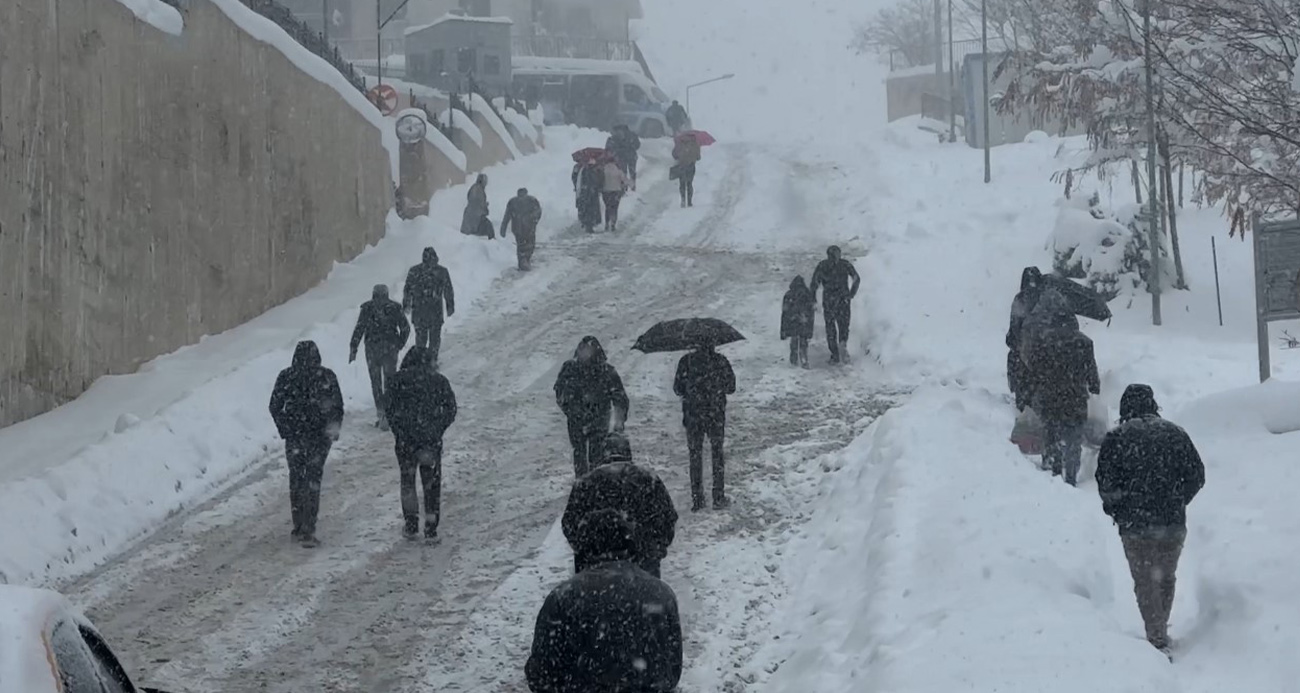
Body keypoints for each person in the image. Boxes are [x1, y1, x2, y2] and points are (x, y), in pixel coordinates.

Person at [1096, 384, 1205, 654]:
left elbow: (1105, 483)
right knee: (1166, 576)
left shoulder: (1117, 438)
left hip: (1135, 525)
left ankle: (1155, 635)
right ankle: (1161, 625)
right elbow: (1197, 475)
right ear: (1153, 405)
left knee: (1145, 579)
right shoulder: (1176, 434)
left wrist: (1118, 509)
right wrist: (1178, 500)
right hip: (1172, 522)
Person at [525, 509, 683, 693]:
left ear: (584, 548)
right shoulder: (661, 594)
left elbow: (541, 675)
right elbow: (672, 670)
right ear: (630, 544)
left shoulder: (563, 598)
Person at [561, 433, 678, 578]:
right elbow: (667, 518)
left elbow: (570, 524)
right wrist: (653, 550)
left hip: (595, 568)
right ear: (629, 454)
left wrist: (586, 550)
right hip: (642, 565)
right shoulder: (649, 480)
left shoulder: (585, 484)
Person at [268, 341, 343, 548]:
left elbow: (274, 405)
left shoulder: (286, 377)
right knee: (313, 479)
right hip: (319, 437)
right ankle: (309, 527)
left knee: (296, 479)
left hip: (295, 436)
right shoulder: (327, 376)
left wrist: (285, 428)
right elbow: (337, 406)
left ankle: (298, 525)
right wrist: (332, 430)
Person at [1024, 290, 1100, 485]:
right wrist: (1093, 387)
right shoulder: (1084, 342)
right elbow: (1092, 374)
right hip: (1076, 398)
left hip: (1051, 396)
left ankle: (1053, 470)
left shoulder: (1044, 341)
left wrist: (1032, 391)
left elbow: (1034, 369)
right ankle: (1071, 474)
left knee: (1051, 431)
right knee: (1074, 437)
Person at [385, 346, 458, 542]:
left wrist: (400, 430)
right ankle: (431, 527)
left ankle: (411, 524)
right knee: (431, 484)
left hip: (405, 442)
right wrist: (437, 428)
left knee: (408, 482)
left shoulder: (396, 381)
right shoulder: (439, 381)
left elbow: (389, 410)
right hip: (430, 442)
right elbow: (451, 409)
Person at [554, 336, 630, 478]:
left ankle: (586, 484)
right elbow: (620, 398)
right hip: (590, 418)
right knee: (588, 453)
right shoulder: (604, 371)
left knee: (587, 453)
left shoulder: (573, 370)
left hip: (590, 419)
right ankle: (591, 482)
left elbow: (620, 398)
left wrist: (570, 409)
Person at [673, 344, 736, 511]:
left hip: (693, 415)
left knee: (695, 455)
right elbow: (731, 387)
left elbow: (677, 389)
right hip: (715, 414)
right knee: (717, 453)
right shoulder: (721, 361)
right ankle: (718, 496)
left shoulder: (686, 361)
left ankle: (697, 498)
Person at [349, 284, 410, 429]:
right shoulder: (395, 308)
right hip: (390, 349)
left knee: (375, 382)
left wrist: (353, 347)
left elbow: (359, 328)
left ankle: (381, 412)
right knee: (389, 381)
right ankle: (390, 413)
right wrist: (399, 344)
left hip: (372, 349)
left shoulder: (367, 308)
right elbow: (405, 328)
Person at [402, 247, 455, 365]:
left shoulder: (415, 271)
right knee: (430, 339)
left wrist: (406, 304)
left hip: (423, 312)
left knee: (426, 339)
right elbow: (448, 290)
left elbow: (407, 290)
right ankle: (429, 361)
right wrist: (450, 305)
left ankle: (426, 361)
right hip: (431, 312)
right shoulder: (440, 272)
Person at [810, 245, 862, 365]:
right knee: (843, 325)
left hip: (829, 301)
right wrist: (851, 294)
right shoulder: (844, 264)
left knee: (830, 327)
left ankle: (834, 354)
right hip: (843, 299)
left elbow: (814, 284)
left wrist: (813, 299)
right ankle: (842, 343)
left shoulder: (822, 266)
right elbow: (856, 278)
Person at [1007, 267, 1045, 411]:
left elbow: (1013, 331)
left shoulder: (1020, 300)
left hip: (1023, 358)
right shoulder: (1047, 299)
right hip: (1047, 355)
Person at [501, 187, 543, 271]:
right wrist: (534, 220)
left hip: (517, 228)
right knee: (530, 244)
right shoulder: (532, 200)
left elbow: (507, 216)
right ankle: (525, 259)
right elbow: (538, 212)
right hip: (528, 226)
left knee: (520, 245)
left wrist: (503, 228)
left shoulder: (512, 202)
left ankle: (522, 261)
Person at [781, 275, 816, 368]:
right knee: (803, 342)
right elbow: (811, 312)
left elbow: (784, 313)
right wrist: (810, 329)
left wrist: (783, 330)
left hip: (792, 321)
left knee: (794, 340)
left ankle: (794, 360)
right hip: (804, 321)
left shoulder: (788, 295)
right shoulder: (808, 295)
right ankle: (804, 360)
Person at [572, 158, 605, 233]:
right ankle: (588, 225)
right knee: (590, 210)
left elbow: (575, 179)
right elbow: (599, 180)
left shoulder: (579, 168)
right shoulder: (595, 170)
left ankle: (585, 223)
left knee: (585, 209)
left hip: (583, 194)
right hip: (590, 194)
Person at [606, 124, 641, 191]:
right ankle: (633, 186)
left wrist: (618, 152)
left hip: (622, 157)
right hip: (632, 156)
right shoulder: (632, 135)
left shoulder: (616, 136)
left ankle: (624, 187)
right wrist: (632, 148)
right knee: (632, 172)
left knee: (623, 172)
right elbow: (638, 145)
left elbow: (611, 147)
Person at [600, 155, 630, 232]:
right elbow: (625, 181)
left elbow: (599, 180)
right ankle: (613, 224)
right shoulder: (618, 171)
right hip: (616, 192)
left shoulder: (603, 170)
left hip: (606, 192)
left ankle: (606, 224)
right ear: (614, 162)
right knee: (614, 208)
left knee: (608, 207)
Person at [671, 133, 701, 208]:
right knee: (689, 184)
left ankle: (683, 200)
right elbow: (698, 157)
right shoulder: (695, 144)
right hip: (691, 166)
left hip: (681, 166)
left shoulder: (680, 144)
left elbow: (674, 155)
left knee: (682, 184)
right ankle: (689, 201)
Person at [460, 173, 492, 239]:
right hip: (475, 220)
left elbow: (472, 200)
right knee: (489, 227)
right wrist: (485, 209)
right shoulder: (480, 190)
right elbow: (479, 205)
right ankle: (493, 244)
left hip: (467, 220)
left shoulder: (473, 188)